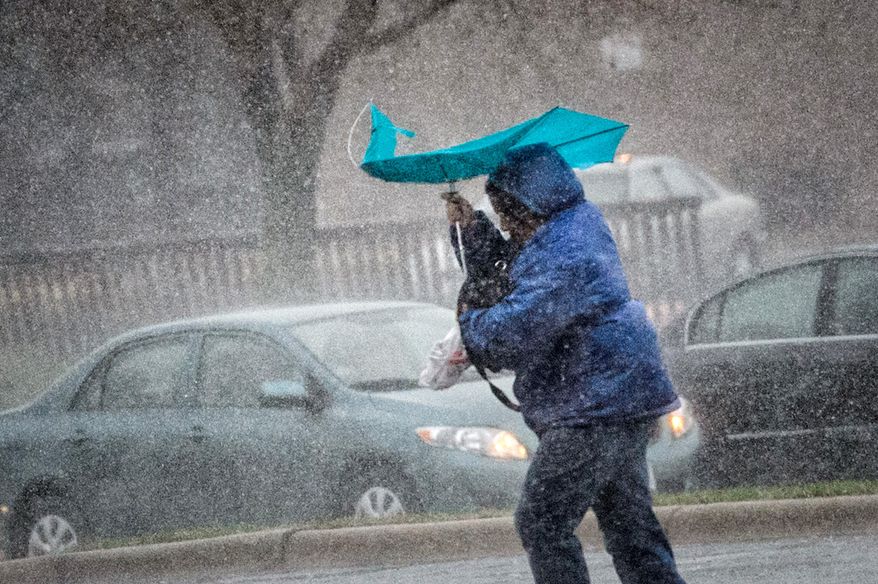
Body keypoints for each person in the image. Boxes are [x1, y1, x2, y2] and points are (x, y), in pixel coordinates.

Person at [446, 143, 687, 584]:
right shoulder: (572, 228)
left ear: (529, 205)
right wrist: (474, 233)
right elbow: (511, 272)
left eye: (505, 213)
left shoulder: (565, 254)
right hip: (618, 398)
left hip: (590, 407)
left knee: (541, 522)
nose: (503, 223)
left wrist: (469, 326)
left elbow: (514, 328)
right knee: (630, 528)